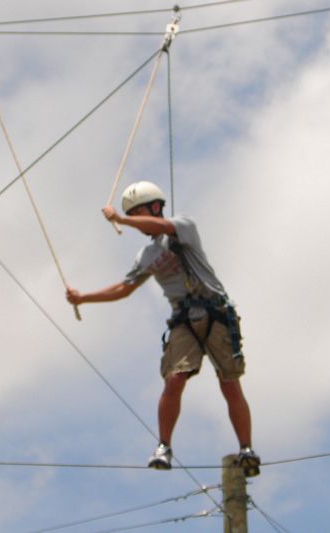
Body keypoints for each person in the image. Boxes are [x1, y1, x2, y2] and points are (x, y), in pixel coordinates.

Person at [65, 181, 261, 476]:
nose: (137, 221)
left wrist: (121, 219)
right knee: (174, 380)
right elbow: (123, 288)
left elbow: (161, 226)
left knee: (229, 382)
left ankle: (246, 448)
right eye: (134, 215)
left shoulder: (183, 227)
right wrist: (83, 298)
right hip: (183, 318)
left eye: (140, 212)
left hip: (215, 310)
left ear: (156, 207)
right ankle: (164, 446)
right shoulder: (146, 255)